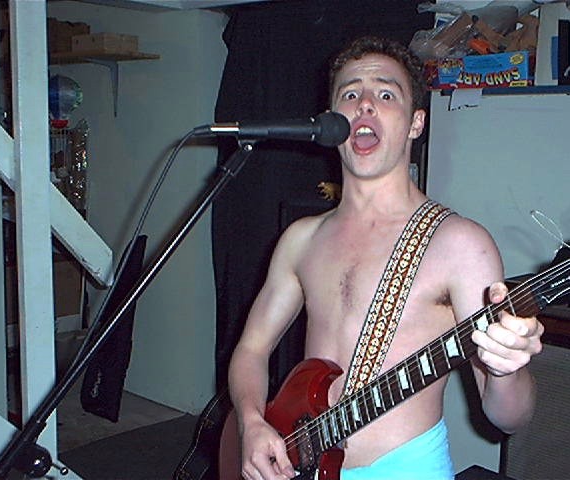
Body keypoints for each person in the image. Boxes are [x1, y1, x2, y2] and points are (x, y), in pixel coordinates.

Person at [228, 36, 544, 480]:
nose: (365, 104)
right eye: (350, 94)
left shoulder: (460, 244)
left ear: (416, 123)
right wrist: (251, 423)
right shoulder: (301, 239)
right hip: (302, 466)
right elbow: (251, 348)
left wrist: (508, 370)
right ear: (331, 119)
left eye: (386, 94)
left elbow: (508, 418)